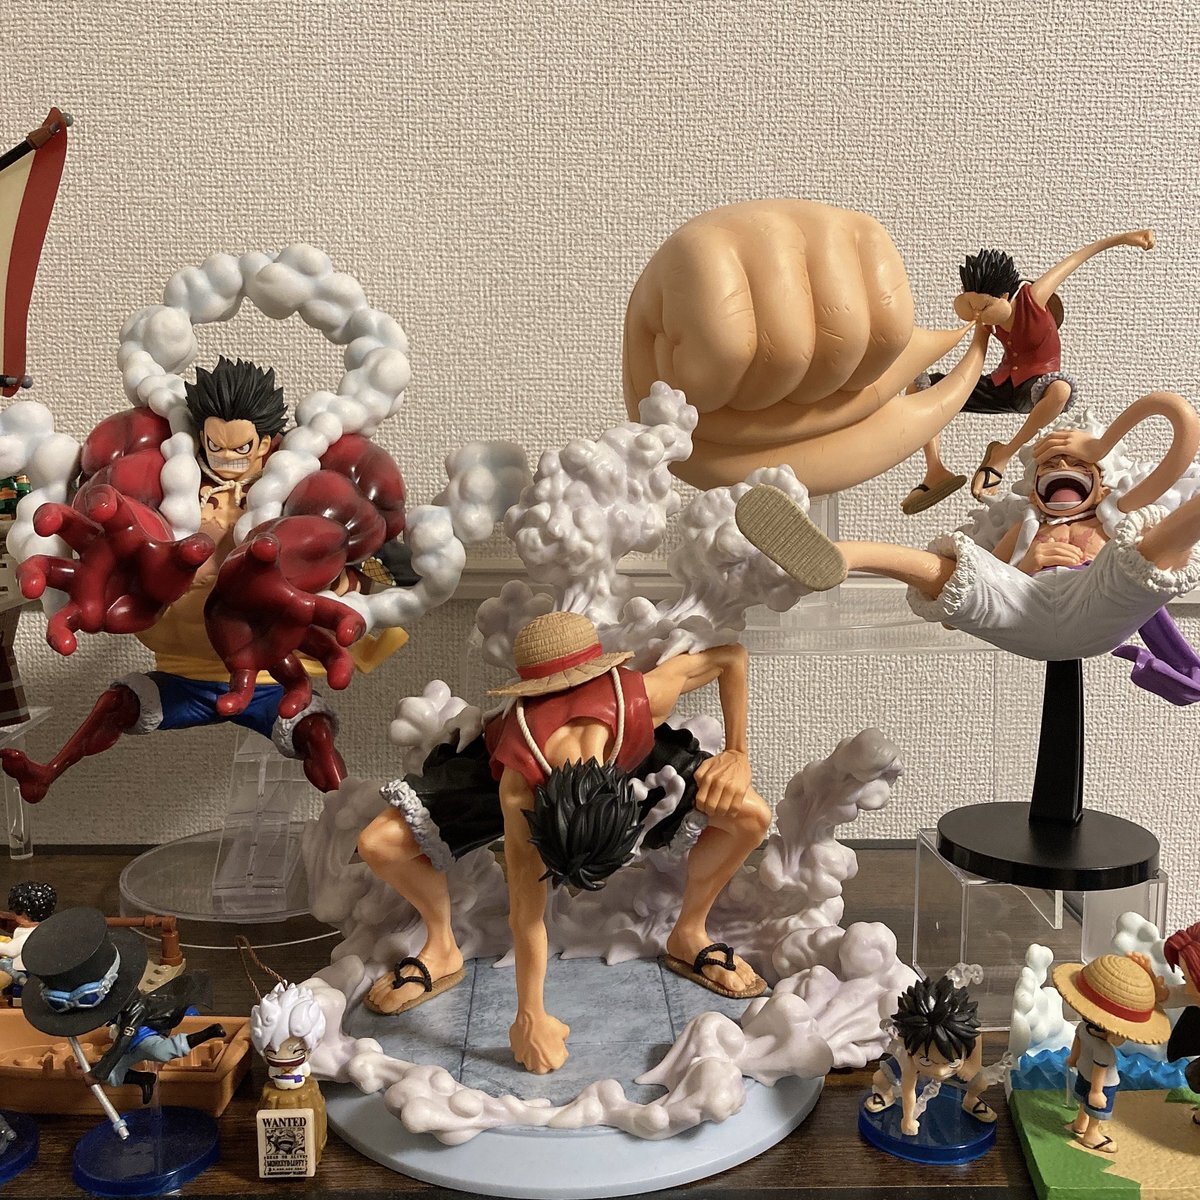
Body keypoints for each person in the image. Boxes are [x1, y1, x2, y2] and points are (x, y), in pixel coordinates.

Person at [357, 611, 772, 1074]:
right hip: (496, 769)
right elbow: (526, 916)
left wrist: (737, 753)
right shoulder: (519, 788)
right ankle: (441, 946)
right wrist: (530, 1015)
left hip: (625, 745)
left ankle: (689, 932)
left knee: (752, 816)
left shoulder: (643, 697)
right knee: (379, 843)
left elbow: (732, 658)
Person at [1, 356, 409, 802]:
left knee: (315, 734)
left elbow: (362, 563)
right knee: (117, 704)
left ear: (266, 444)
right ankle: (46, 773)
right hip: (183, 672)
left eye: (241, 448)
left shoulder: (296, 495)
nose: (227, 459)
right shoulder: (172, 491)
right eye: (215, 445)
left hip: (271, 674)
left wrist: (347, 582)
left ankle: (345, 812)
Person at [738, 391, 1200, 664]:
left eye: (1078, 464)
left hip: (1095, 601)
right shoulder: (1026, 525)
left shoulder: (1114, 514)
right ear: (1032, 486)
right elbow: (980, 584)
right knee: (956, 569)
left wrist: (1101, 443)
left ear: (1103, 482)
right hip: (1025, 608)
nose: (1062, 468)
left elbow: (1178, 418)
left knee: (1144, 553)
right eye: (1049, 465)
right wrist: (1028, 562)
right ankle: (841, 556)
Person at [902, 231, 1155, 513]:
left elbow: (1076, 259)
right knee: (921, 386)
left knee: (1061, 389)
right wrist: (951, 388)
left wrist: (1125, 239)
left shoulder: (1033, 298)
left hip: (1034, 387)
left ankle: (1002, 455)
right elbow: (976, 356)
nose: (978, 312)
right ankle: (935, 470)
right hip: (1001, 385)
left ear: (1004, 296)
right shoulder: (986, 318)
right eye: (972, 305)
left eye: (983, 305)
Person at [1052, 954, 1170, 1152]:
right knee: (1095, 1108)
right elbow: (1100, 1070)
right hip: (1102, 1084)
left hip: (1083, 1072)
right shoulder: (1103, 1049)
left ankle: (1080, 1123)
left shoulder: (1083, 1028)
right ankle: (1091, 1134)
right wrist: (1097, 1092)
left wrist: (1073, 1058)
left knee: (1083, 1099)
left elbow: (1077, 1042)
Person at [865, 974, 996, 1136]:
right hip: (913, 1066)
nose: (940, 1071)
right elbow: (908, 1091)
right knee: (880, 1079)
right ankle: (886, 1095)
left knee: (981, 1081)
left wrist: (972, 1065)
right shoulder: (909, 1057)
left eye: (952, 1061)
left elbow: (976, 1036)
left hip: (955, 1070)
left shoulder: (962, 1039)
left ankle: (970, 1100)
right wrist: (907, 1120)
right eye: (927, 1060)